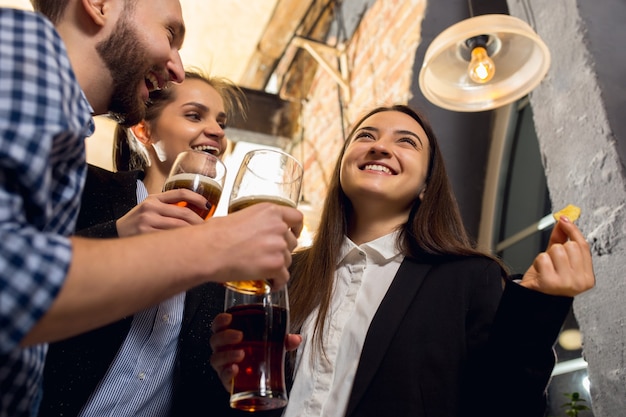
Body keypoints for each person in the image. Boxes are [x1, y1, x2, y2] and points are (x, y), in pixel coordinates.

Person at [0, 1, 301, 416]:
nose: (176, 67)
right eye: (170, 35)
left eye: (221, 122)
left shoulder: (65, 139)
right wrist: (210, 247)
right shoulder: (18, 52)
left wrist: (231, 382)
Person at [210, 105, 595, 417]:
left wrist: (539, 307)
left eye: (406, 142)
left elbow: (506, 406)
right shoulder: (284, 272)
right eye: (365, 136)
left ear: (428, 184)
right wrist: (226, 374)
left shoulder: (470, 278)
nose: (380, 147)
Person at [40, 70, 252, 417]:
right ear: (144, 130)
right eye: (194, 115)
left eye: (221, 122)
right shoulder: (83, 189)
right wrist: (118, 234)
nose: (217, 131)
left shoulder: (221, 268)